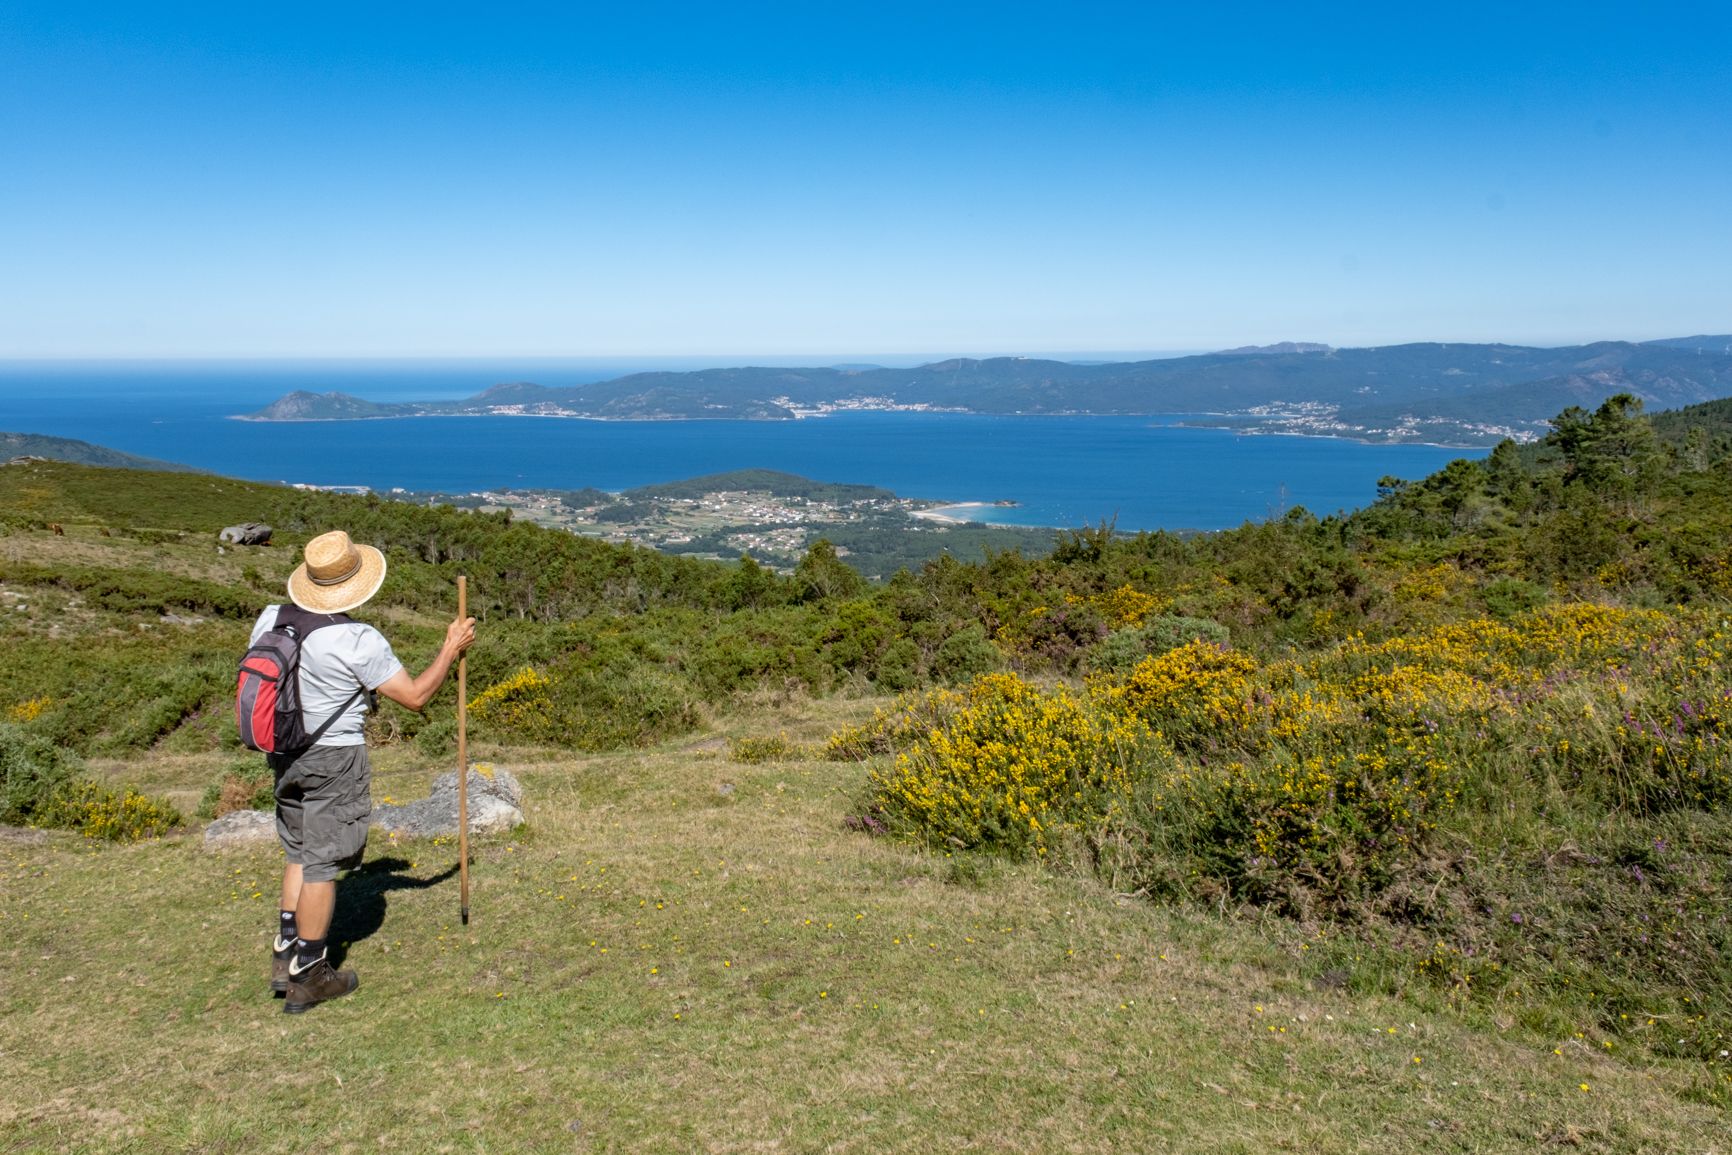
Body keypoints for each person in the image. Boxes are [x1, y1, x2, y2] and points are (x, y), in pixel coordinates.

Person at [251, 529, 476, 1014]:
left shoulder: (272, 619)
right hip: (335, 758)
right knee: (322, 864)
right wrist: (450, 647)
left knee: (298, 850)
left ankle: (284, 953)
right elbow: (415, 697)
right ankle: (310, 975)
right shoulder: (357, 639)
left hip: (285, 751)